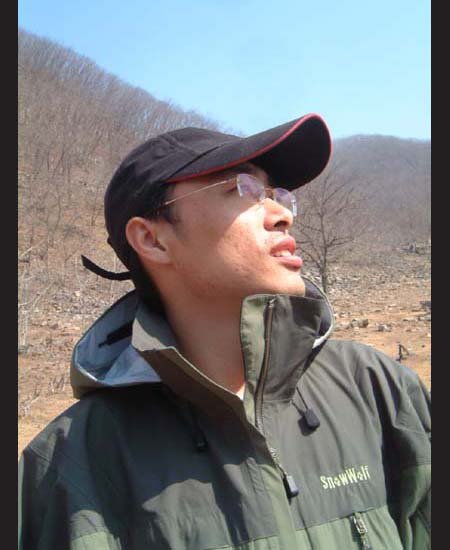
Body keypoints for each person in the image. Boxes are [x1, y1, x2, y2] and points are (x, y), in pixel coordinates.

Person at [19, 114, 431, 550]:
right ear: (153, 240)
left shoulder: (377, 391)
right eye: (243, 188)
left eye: (278, 195)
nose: (282, 214)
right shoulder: (71, 467)